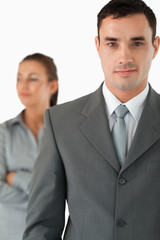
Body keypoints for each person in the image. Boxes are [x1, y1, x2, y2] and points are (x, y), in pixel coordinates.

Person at [23, 0, 160, 239]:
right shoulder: (60, 123)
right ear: (97, 46)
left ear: (155, 46)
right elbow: (42, 225)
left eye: (137, 43)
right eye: (112, 43)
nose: (124, 56)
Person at [0, 53, 58, 240]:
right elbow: (54, 191)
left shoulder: (66, 132)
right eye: (19, 78)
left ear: (52, 85)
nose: (23, 85)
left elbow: (74, 187)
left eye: (32, 78)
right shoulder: (3, 132)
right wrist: (44, 197)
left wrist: (16, 177)